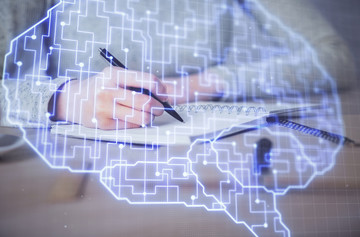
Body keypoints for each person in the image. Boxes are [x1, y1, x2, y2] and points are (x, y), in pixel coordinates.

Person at [0, 0, 356, 130]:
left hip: (202, 148)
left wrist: (202, 83)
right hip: (71, 164)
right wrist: (63, 98)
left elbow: (335, 58)